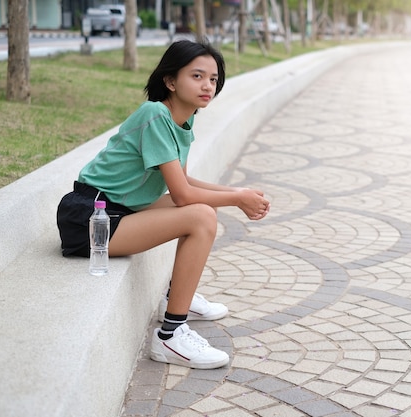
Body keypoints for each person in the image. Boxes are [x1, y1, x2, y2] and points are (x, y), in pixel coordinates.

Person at [56, 39, 270, 369]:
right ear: (170, 81)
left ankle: (175, 299)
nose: (207, 86)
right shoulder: (155, 114)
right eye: (197, 76)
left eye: (213, 79)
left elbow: (184, 181)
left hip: (117, 210)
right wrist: (236, 199)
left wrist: (235, 192)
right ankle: (170, 336)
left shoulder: (181, 120)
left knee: (202, 211)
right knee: (199, 215)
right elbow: (184, 195)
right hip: (91, 218)